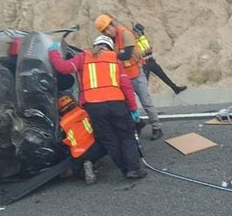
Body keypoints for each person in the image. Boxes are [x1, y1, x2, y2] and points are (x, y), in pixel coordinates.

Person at [48, 35, 147, 179]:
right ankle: (134, 169)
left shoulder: (83, 57)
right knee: (126, 136)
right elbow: (126, 86)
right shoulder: (115, 59)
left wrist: (53, 52)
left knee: (109, 139)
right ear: (110, 47)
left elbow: (63, 68)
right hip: (116, 104)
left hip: (94, 107)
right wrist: (133, 109)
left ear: (95, 45)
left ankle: (125, 170)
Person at [95, 14, 163, 140]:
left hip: (136, 74)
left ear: (112, 24)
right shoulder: (109, 40)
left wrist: (110, 55)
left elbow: (126, 55)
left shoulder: (125, 34)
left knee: (146, 102)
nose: (106, 32)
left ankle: (157, 127)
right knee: (128, 106)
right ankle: (137, 124)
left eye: (107, 28)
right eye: (103, 31)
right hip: (122, 78)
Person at [57, 95, 107, 184]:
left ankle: (85, 172)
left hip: (79, 154)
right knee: (106, 143)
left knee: (76, 171)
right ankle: (93, 162)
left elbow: (63, 141)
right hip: (96, 147)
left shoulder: (62, 123)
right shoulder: (84, 112)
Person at [132, 22, 187, 94]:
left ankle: (175, 88)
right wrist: (145, 52)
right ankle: (142, 96)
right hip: (144, 64)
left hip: (151, 60)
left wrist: (149, 49)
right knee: (144, 83)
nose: (140, 34)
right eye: (139, 32)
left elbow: (148, 46)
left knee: (162, 75)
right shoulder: (132, 41)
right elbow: (136, 54)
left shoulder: (143, 37)